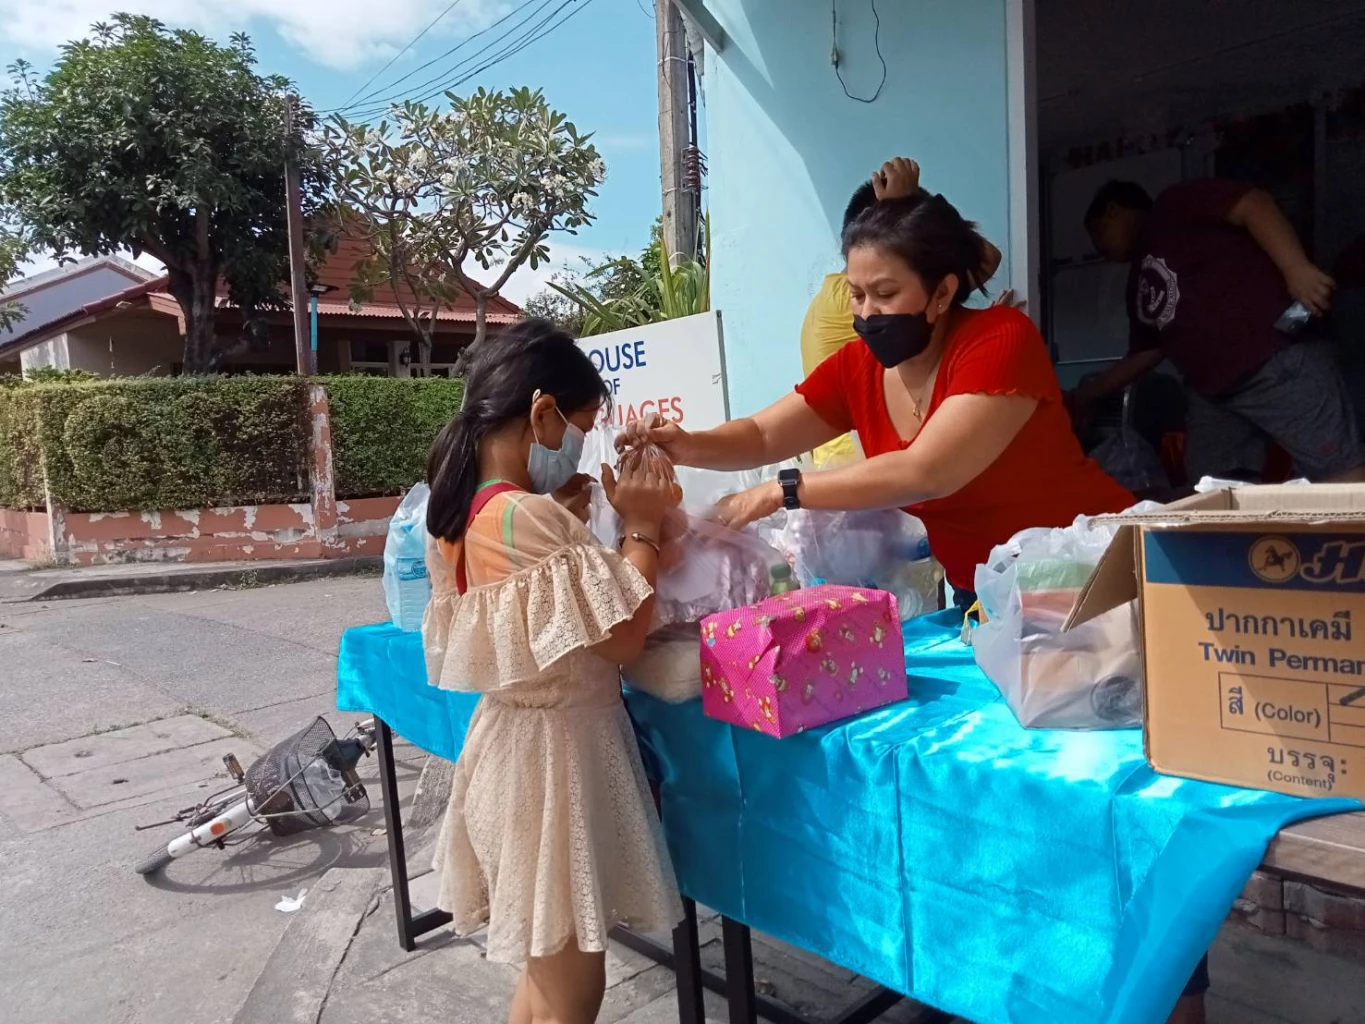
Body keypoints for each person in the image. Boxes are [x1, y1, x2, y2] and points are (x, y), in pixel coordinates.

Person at [622, 191, 1132, 608]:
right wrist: (686, 445)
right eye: (857, 294)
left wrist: (781, 491)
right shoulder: (858, 369)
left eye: (885, 293)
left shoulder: (999, 339)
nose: (867, 313)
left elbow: (927, 470)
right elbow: (763, 434)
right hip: (988, 592)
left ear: (941, 293)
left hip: (1090, 571)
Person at [422, 320, 682, 1024]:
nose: (580, 444)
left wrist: (572, 524)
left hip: (506, 750)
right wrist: (643, 527)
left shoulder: (450, 516)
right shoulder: (529, 516)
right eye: (582, 424)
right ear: (541, 412)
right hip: (555, 769)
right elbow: (625, 635)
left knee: (544, 975)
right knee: (573, 987)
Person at [1075, 178, 1365, 483]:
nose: (1098, 248)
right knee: (1211, 488)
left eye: (1097, 233)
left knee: (1339, 469)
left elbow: (1253, 203)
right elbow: (1147, 354)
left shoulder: (1172, 207)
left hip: (1274, 358)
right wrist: (1085, 394)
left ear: (1113, 211)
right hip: (1214, 393)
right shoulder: (1138, 280)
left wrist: (1297, 270)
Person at [801, 158, 1008, 469]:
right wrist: (904, 209)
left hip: (857, 462)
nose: (868, 308)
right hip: (860, 463)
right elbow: (987, 259)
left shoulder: (832, 296)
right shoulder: (852, 301)